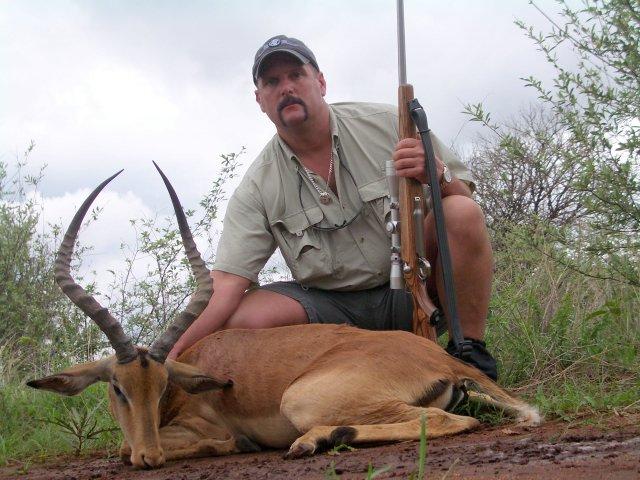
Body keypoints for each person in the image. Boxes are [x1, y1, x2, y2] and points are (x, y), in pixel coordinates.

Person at [168, 35, 497, 380]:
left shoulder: (390, 123)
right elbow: (225, 284)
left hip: (412, 285)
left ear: (321, 82)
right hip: (333, 317)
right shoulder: (256, 186)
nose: (286, 88)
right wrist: (172, 354)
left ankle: (469, 357)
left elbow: (464, 198)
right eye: (272, 82)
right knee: (242, 318)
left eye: (296, 75)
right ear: (260, 100)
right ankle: (322, 383)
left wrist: (438, 174)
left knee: (461, 212)